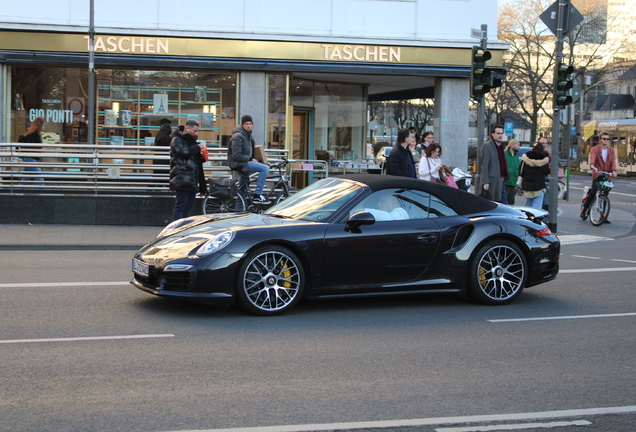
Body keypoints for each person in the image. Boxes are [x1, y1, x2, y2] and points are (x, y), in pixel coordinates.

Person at [169, 120, 207, 220]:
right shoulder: (177, 139)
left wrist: (202, 155)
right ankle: (177, 228)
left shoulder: (192, 141)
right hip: (182, 176)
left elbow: (193, 158)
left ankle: (184, 227)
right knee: (181, 205)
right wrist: (198, 147)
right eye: (195, 131)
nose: (196, 133)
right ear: (188, 129)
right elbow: (183, 152)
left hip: (192, 176)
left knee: (188, 206)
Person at [228, 115, 270, 203]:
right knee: (264, 168)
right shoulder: (238, 136)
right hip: (240, 164)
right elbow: (236, 155)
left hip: (245, 163)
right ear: (242, 125)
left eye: (250, 124)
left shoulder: (248, 136)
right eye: (246, 124)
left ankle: (240, 211)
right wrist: (250, 159)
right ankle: (258, 194)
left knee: (242, 191)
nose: (248, 126)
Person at [580, 131, 617, 223]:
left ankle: (603, 216)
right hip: (598, 174)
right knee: (593, 192)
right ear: (600, 140)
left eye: (608, 139)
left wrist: (614, 170)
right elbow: (593, 158)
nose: (606, 140)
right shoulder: (595, 149)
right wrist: (593, 166)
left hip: (607, 175)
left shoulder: (611, 150)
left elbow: (613, 161)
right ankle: (584, 210)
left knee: (605, 195)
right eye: (604, 139)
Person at [477, 125, 508, 203]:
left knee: (503, 204)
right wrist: (486, 181)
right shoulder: (487, 146)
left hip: (500, 180)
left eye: (501, 133)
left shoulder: (500, 146)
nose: (500, 135)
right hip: (492, 181)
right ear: (493, 134)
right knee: (494, 203)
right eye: (498, 133)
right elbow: (484, 164)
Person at [519, 142, 550, 209]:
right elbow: (546, 172)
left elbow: (521, 172)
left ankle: (527, 218)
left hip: (527, 185)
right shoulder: (543, 158)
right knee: (537, 205)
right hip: (539, 185)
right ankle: (535, 218)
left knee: (528, 204)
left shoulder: (525, 158)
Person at [19, 116, 45, 186]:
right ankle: (45, 193)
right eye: (43, 124)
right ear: (40, 125)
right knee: (39, 178)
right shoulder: (34, 135)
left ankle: (18, 191)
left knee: (25, 178)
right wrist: (41, 149)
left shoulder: (30, 134)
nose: (43, 126)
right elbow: (32, 147)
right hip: (31, 159)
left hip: (27, 158)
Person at [503, 138, 521, 205]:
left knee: (511, 202)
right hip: (506, 182)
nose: (519, 147)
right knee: (504, 202)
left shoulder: (516, 156)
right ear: (512, 145)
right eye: (518, 145)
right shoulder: (504, 154)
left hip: (513, 182)